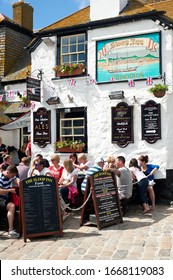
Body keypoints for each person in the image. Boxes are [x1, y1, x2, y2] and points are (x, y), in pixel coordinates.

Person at [0, 165, 20, 238]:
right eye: (12, 175)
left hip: (5, 197)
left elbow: (16, 178)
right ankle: (11, 230)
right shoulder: (0, 178)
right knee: (11, 206)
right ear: (8, 172)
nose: (12, 177)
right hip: (1, 197)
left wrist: (18, 182)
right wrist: (9, 190)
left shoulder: (10, 176)